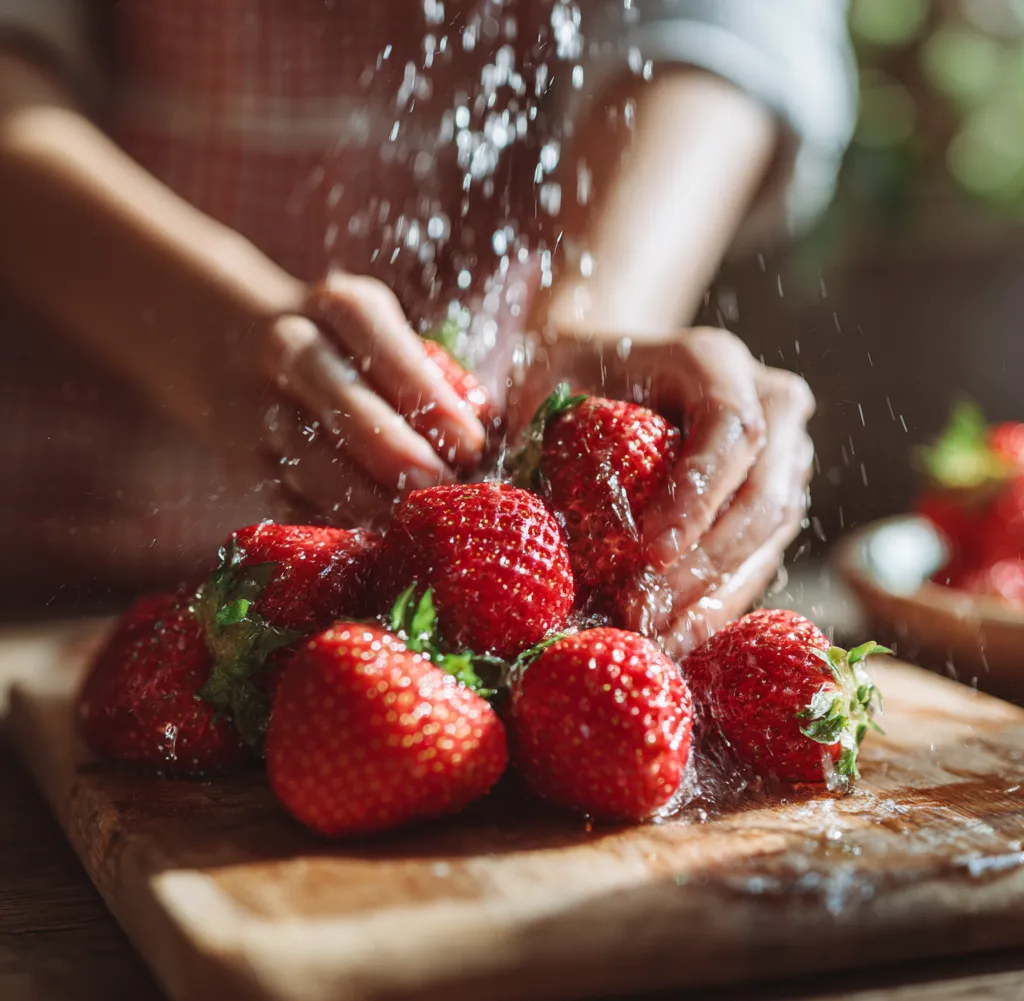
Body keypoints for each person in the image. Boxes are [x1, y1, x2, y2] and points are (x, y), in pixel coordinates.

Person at [0, 1, 856, 654]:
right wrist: (197, 325)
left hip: (456, 597)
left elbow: (723, 21)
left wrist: (602, 317)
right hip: (44, 566)